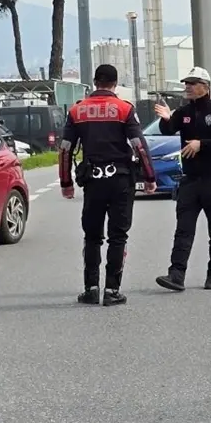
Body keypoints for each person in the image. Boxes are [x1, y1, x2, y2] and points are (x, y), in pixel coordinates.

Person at [58, 65, 157, 306]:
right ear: (115, 83)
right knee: (118, 236)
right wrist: (149, 177)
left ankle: (91, 288)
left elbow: (65, 149)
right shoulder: (124, 109)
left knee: (92, 236)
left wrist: (66, 183)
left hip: (93, 181)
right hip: (121, 179)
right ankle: (112, 290)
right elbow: (139, 145)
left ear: (94, 82)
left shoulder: (77, 110)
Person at [154, 67, 211, 292]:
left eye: (193, 83)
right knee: (183, 229)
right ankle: (176, 275)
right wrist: (165, 118)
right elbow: (169, 129)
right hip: (190, 181)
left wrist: (202, 144)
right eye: (186, 83)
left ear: (205, 87)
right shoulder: (183, 112)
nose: (188, 87)